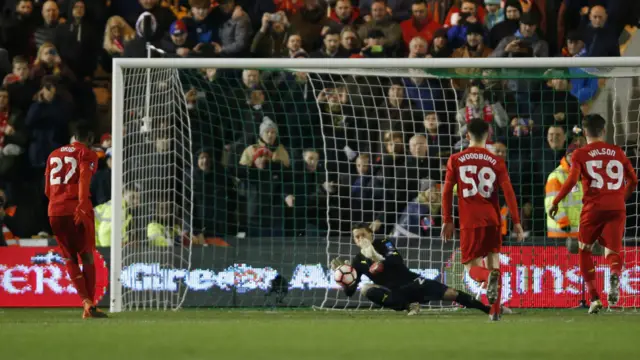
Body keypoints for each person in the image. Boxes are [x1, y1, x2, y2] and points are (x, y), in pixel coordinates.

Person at [549, 114, 638, 314]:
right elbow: (634, 180)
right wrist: (620, 198)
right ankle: (614, 273)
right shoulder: (618, 152)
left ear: (585, 131)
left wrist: (556, 201)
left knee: (584, 249)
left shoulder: (581, 153)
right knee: (612, 251)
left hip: (593, 208)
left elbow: (572, 181)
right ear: (604, 131)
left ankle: (595, 298)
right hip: (616, 207)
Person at [441, 118, 524, 321]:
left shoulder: (456, 159)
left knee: (472, 267)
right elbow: (509, 193)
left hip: (470, 220)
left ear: (467, 135)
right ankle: (495, 310)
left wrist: (447, 219)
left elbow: (445, 192)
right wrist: (517, 222)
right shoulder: (496, 160)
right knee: (494, 261)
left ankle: (488, 278)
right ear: (488, 135)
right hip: (493, 219)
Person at [331, 224, 492, 317]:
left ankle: (487, 309)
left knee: (452, 294)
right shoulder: (358, 261)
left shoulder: (384, 243)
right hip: (395, 292)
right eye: (357, 237)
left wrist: (379, 260)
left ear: (371, 234)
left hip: (413, 282)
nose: (360, 239)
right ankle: (408, 306)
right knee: (366, 289)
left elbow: (396, 260)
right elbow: (351, 291)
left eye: (363, 235)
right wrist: (343, 277)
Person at [44, 123, 107, 319]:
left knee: (69, 257)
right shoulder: (86, 154)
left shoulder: (53, 154)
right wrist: (80, 204)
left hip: (54, 209)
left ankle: (86, 302)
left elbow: (47, 188)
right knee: (87, 255)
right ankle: (90, 304)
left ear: (73, 136)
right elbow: (84, 180)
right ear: (88, 139)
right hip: (77, 208)